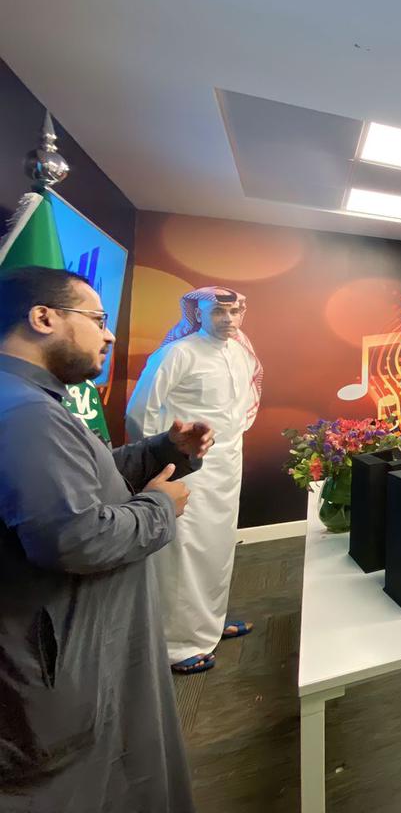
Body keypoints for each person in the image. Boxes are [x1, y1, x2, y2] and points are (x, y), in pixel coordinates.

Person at [0, 266, 214, 812]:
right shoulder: (25, 413)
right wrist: (160, 508)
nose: (110, 334)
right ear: (43, 317)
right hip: (60, 670)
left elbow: (82, 482)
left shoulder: (29, 401)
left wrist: (163, 451)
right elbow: (75, 537)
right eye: (97, 319)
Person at [127, 287, 263, 674]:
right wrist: (155, 464)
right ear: (198, 314)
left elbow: (239, 407)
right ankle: (176, 644)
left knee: (217, 546)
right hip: (186, 468)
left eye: (235, 311)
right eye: (218, 311)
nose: (229, 319)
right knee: (184, 550)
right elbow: (140, 411)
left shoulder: (241, 352)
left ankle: (208, 623)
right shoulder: (178, 353)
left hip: (227, 466)